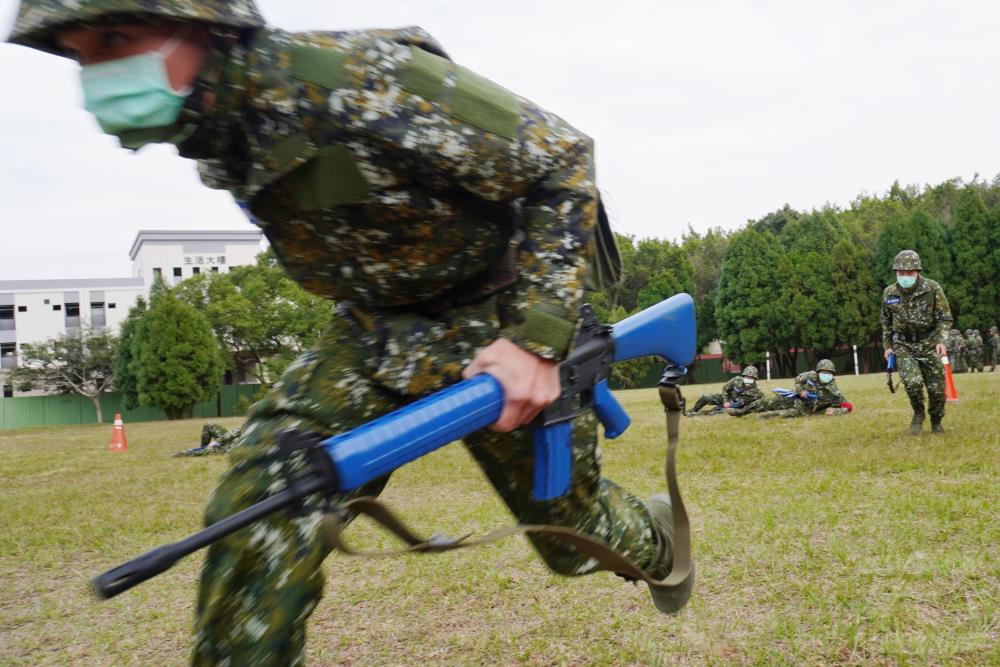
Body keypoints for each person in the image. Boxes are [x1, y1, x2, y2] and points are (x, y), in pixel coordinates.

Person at [7, 1, 692, 663]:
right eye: (79, 54)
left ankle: (661, 537)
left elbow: (559, 159)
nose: (94, 73)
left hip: (501, 312)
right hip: (373, 328)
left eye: (115, 39)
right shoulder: (224, 133)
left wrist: (538, 339)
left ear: (203, 23)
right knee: (266, 493)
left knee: (573, 541)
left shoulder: (358, 78)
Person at [880, 250, 952, 434]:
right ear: (896, 272)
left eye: (909, 273)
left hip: (929, 343)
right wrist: (888, 347)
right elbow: (886, 323)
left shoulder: (932, 288)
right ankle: (918, 413)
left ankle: (936, 421)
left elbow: (944, 318)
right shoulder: (889, 293)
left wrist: (942, 340)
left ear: (918, 272)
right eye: (901, 273)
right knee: (911, 382)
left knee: (937, 389)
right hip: (904, 346)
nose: (905, 276)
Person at [756, 359, 852, 418]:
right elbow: (797, 380)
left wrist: (836, 411)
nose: (826, 375)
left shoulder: (833, 391)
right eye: (823, 372)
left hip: (804, 410)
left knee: (774, 416)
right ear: (818, 372)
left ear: (833, 375)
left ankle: (761, 417)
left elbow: (848, 406)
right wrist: (801, 391)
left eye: (829, 373)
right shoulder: (810, 376)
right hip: (795, 399)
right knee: (769, 403)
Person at [686, 365, 764, 416]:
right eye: (747, 376)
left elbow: (758, 404)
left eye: (751, 377)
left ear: (755, 378)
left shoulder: (757, 392)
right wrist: (725, 401)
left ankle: (698, 414)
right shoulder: (736, 380)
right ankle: (694, 410)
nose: (748, 378)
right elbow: (725, 389)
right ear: (743, 376)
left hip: (735, 407)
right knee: (706, 396)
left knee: (714, 413)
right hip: (727, 399)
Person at [174, 423, 243, 457]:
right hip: (230, 439)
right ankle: (203, 448)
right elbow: (238, 431)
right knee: (209, 425)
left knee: (209, 451)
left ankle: (183, 454)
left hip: (230, 448)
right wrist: (217, 441)